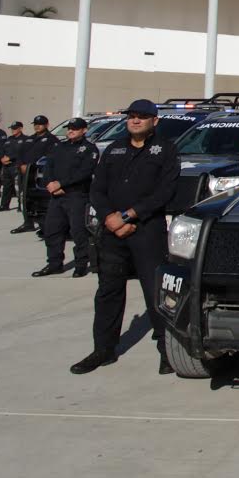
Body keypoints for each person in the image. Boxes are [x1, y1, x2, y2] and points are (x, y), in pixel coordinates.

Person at [72, 99, 180, 376]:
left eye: (142, 117)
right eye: (131, 116)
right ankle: (103, 349)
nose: (135, 120)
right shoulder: (114, 149)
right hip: (112, 232)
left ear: (154, 121)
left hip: (147, 231)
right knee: (108, 291)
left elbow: (164, 192)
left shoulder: (165, 150)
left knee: (155, 293)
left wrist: (130, 215)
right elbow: (97, 188)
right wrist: (111, 217)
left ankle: (167, 352)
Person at [33, 118, 99, 278]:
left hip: (76, 196)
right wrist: (49, 183)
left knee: (78, 232)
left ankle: (80, 265)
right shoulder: (59, 147)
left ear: (84, 130)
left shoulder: (89, 149)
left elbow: (84, 172)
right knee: (52, 230)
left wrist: (62, 184)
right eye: (69, 128)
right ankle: (54, 264)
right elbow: (49, 166)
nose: (71, 131)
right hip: (56, 197)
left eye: (75, 129)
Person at [12, 115, 59, 235]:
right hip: (25, 174)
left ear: (47, 125)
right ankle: (28, 223)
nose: (37, 126)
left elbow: (51, 158)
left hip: (40, 175)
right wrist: (21, 164)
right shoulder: (29, 139)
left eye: (40, 124)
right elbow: (20, 154)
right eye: (35, 124)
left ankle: (44, 225)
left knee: (41, 200)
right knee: (25, 198)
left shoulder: (52, 140)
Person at [0, 122, 27, 215]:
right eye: (12, 128)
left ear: (20, 128)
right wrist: (2, 159)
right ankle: (4, 205)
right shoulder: (9, 139)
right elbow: (2, 150)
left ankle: (21, 205)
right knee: (6, 187)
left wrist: (10, 158)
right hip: (7, 167)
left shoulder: (25, 139)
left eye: (15, 128)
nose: (13, 130)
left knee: (19, 187)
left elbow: (22, 152)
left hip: (16, 166)